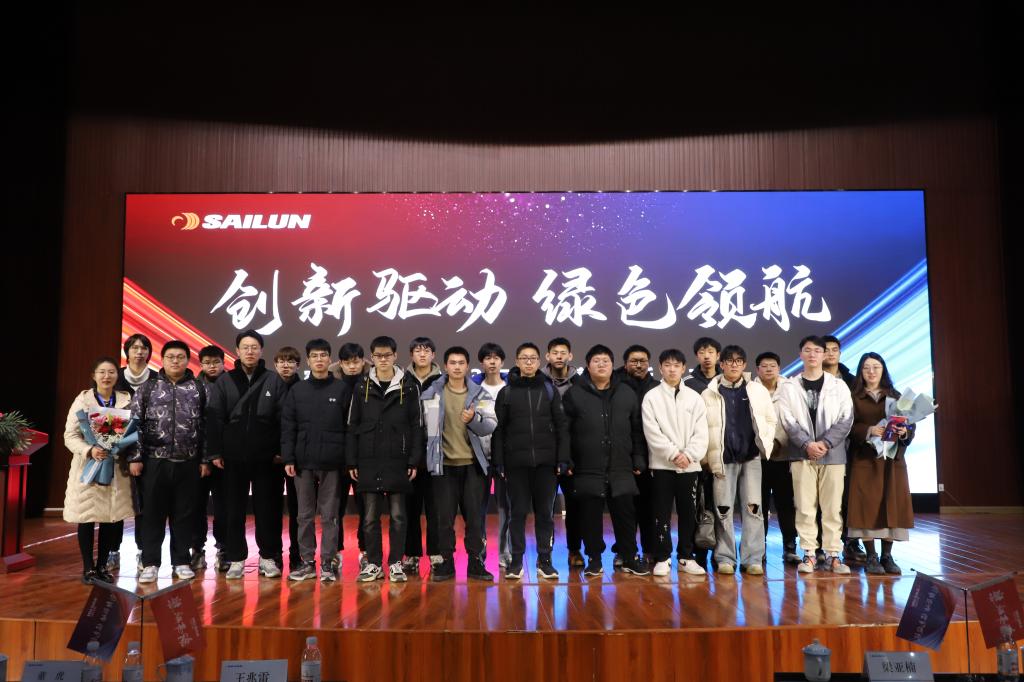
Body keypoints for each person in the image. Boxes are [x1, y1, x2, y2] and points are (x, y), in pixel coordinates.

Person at [561, 345, 650, 578]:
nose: (601, 365)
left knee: (626, 515)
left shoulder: (626, 392)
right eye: (596, 361)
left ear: (613, 365)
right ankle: (594, 559)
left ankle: (629, 557)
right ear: (588, 366)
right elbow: (565, 431)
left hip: (621, 465)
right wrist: (566, 459)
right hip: (587, 465)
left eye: (606, 361)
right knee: (589, 516)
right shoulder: (574, 394)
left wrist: (638, 458)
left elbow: (637, 430)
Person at [206, 329, 288, 580]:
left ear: (261, 351)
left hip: (267, 458)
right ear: (237, 351)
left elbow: (284, 419)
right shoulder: (225, 381)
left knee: (268, 510)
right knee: (233, 510)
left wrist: (281, 451)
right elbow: (215, 418)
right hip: (232, 458)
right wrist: (215, 451)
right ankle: (236, 558)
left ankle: (268, 557)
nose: (250, 351)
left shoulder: (274, 380)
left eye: (254, 347)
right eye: (245, 347)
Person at [491, 342, 570, 580]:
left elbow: (561, 426)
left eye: (532, 358)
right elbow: (499, 430)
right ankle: (516, 561)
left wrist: (562, 458)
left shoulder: (549, 390)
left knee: (545, 515)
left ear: (539, 362)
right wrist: (499, 461)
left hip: (546, 465)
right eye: (524, 358)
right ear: (516, 362)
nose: (528, 362)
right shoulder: (506, 392)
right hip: (516, 465)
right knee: (517, 515)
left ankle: (545, 561)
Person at [777, 336, 854, 575]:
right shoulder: (789, 386)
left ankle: (833, 555)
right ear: (801, 354)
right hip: (801, 455)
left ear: (824, 355)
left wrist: (825, 443)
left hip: (833, 455)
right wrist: (807, 444)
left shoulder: (838, 385)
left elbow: (846, 418)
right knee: (804, 506)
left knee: (832, 508)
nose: (812, 354)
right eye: (807, 350)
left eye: (817, 350)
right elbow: (787, 420)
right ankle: (809, 554)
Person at [130, 341, 206, 583]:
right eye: (171, 357)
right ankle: (150, 563)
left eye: (180, 357)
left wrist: (205, 459)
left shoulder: (199, 388)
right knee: (152, 513)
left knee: (184, 513)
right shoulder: (148, 387)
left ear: (187, 360)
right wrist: (135, 457)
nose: (175, 361)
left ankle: (181, 561)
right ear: (162, 360)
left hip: (188, 461)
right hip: (154, 461)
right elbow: (134, 424)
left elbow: (207, 426)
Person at [347, 336, 421, 582]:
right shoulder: (361, 386)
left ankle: (396, 563)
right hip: (369, 460)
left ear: (395, 356)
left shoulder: (409, 386)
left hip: (398, 460)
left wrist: (413, 460)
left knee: (399, 516)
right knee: (369, 518)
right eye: (378, 355)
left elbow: (416, 426)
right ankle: (374, 563)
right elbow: (352, 425)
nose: (383, 359)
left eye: (387, 355)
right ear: (372, 358)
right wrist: (352, 461)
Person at [420, 346, 498, 582]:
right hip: (443, 466)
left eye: (461, 363)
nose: (456, 367)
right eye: (452, 363)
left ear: (467, 366)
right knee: (444, 519)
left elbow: (490, 425)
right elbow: (423, 428)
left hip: (473, 466)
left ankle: (476, 561)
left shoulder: (480, 394)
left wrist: (474, 419)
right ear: (445, 366)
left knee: (475, 518)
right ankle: (446, 561)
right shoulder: (432, 394)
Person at [701, 345, 776, 576]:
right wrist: (707, 457)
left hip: (751, 458)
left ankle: (753, 558)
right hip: (723, 459)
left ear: (744, 365)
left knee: (753, 509)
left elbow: (770, 420)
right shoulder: (709, 393)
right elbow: (703, 428)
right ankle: (725, 557)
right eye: (729, 361)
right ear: (721, 364)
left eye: (739, 361)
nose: (734, 365)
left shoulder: (757, 390)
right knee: (723, 510)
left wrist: (766, 444)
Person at [281, 339, 351, 583]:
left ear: (330, 359)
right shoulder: (297, 390)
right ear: (308, 361)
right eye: (314, 356)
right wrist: (289, 457)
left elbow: (350, 427)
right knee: (304, 515)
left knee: (330, 515)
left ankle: (328, 562)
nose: (319, 360)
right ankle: (308, 562)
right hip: (303, 462)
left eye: (323, 355)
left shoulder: (342, 389)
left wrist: (347, 460)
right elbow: (288, 427)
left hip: (333, 462)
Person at [62, 357, 135, 583]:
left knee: (111, 518)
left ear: (117, 375)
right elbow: (70, 435)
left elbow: (134, 431)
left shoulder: (126, 400)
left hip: (115, 468)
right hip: (88, 467)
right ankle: (88, 568)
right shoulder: (82, 400)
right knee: (86, 517)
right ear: (93, 376)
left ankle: (103, 566)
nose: (106, 376)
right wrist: (89, 449)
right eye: (102, 372)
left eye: (111, 372)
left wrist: (121, 447)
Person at [640, 349, 708, 577]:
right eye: (667, 365)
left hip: (690, 466)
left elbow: (702, 432)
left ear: (683, 368)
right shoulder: (652, 397)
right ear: (660, 368)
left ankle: (686, 557)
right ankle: (663, 557)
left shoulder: (695, 398)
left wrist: (688, 455)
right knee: (661, 513)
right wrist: (672, 454)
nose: (672, 369)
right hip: (662, 466)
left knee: (689, 513)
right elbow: (652, 432)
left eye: (676, 365)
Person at [846, 353, 914, 575]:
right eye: (866, 368)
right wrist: (868, 430)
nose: (871, 371)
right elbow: (845, 426)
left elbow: (910, 424)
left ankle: (887, 556)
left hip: (891, 461)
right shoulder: (853, 397)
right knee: (866, 506)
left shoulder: (896, 396)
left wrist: (905, 431)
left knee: (890, 504)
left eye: (876, 367)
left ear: (883, 369)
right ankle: (871, 556)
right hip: (865, 459)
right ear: (861, 372)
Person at [614, 344, 659, 566]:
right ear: (625, 364)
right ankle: (624, 551)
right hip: (622, 456)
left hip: (653, 456)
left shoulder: (657, 388)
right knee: (624, 509)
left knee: (649, 507)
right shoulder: (616, 387)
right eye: (634, 361)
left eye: (643, 361)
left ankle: (650, 549)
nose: (639, 365)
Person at [113, 333, 155, 572]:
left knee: (145, 503)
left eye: (144, 348)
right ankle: (113, 550)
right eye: (135, 347)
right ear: (127, 351)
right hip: (118, 449)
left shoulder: (157, 379)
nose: (139, 352)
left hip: (148, 450)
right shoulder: (115, 377)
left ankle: (142, 550)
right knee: (117, 500)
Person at [753, 351, 800, 564]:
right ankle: (759, 548)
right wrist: (764, 443)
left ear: (779, 368)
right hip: (758, 457)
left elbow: (795, 419)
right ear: (757, 370)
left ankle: (790, 547)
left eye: (772, 365)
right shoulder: (750, 390)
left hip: (784, 456)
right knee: (758, 505)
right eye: (764, 366)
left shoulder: (790, 389)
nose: (769, 369)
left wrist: (778, 441)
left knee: (786, 504)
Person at [541, 337, 583, 567]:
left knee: (574, 505)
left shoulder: (581, 383)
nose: (559, 356)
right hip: (546, 453)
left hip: (574, 455)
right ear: (547, 356)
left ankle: (574, 550)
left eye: (563, 352)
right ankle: (545, 553)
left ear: (570, 356)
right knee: (545, 507)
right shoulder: (538, 381)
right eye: (554, 352)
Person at [822, 334, 864, 564]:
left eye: (834, 349)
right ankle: (821, 545)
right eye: (826, 349)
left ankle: (850, 542)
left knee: (847, 497)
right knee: (821, 499)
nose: (830, 353)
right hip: (818, 446)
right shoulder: (809, 379)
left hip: (849, 446)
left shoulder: (852, 380)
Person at [402, 337, 443, 574]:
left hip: (435, 451)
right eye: (418, 350)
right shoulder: (402, 380)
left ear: (433, 355)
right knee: (410, 507)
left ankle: (436, 553)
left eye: (427, 350)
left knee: (435, 508)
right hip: (408, 453)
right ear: (411, 355)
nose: (422, 354)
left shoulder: (443, 381)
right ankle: (412, 553)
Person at [471, 342, 511, 569]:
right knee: (479, 507)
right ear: (482, 362)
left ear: (502, 361)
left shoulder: (511, 387)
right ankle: (480, 552)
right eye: (488, 358)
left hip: (506, 457)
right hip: (480, 455)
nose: (492, 362)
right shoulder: (474, 389)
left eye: (496, 358)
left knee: (506, 506)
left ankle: (506, 553)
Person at [683, 336, 721, 569]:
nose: (707, 356)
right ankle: (697, 552)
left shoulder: (726, 379)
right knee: (695, 504)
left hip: (721, 454)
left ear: (718, 355)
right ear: (697, 355)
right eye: (702, 352)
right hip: (695, 453)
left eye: (711, 352)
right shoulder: (687, 383)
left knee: (720, 504)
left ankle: (720, 551)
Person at [191, 345, 228, 573]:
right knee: (196, 506)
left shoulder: (231, 384)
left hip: (224, 458)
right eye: (207, 362)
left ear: (223, 362)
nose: (212, 366)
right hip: (197, 459)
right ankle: (197, 550)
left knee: (224, 507)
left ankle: (223, 549)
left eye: (216, 362)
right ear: (201, 364)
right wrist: (204, 458)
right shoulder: (193, 387)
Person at [332, 342, 368, 570]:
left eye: (356, 361)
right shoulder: (331, 383)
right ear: (341, 363)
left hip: (365, 455)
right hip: (337, 455)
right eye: (347, 362)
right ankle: (334, 552)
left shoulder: (373, 381)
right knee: (334, 507)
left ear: (363, 362)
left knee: (367, 507)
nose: (352, 366)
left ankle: (366, 551)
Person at [273, 346, 303, 572]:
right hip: (272, 459)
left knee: (298, 510)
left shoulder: (304, 389)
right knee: (272, 509)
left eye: (291, 361)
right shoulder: (267, 386)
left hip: (296, 459)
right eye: (282, 361)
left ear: (298, 365)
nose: (286, 365)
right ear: (275, 364)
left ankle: (296, 554)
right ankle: (273, 554)